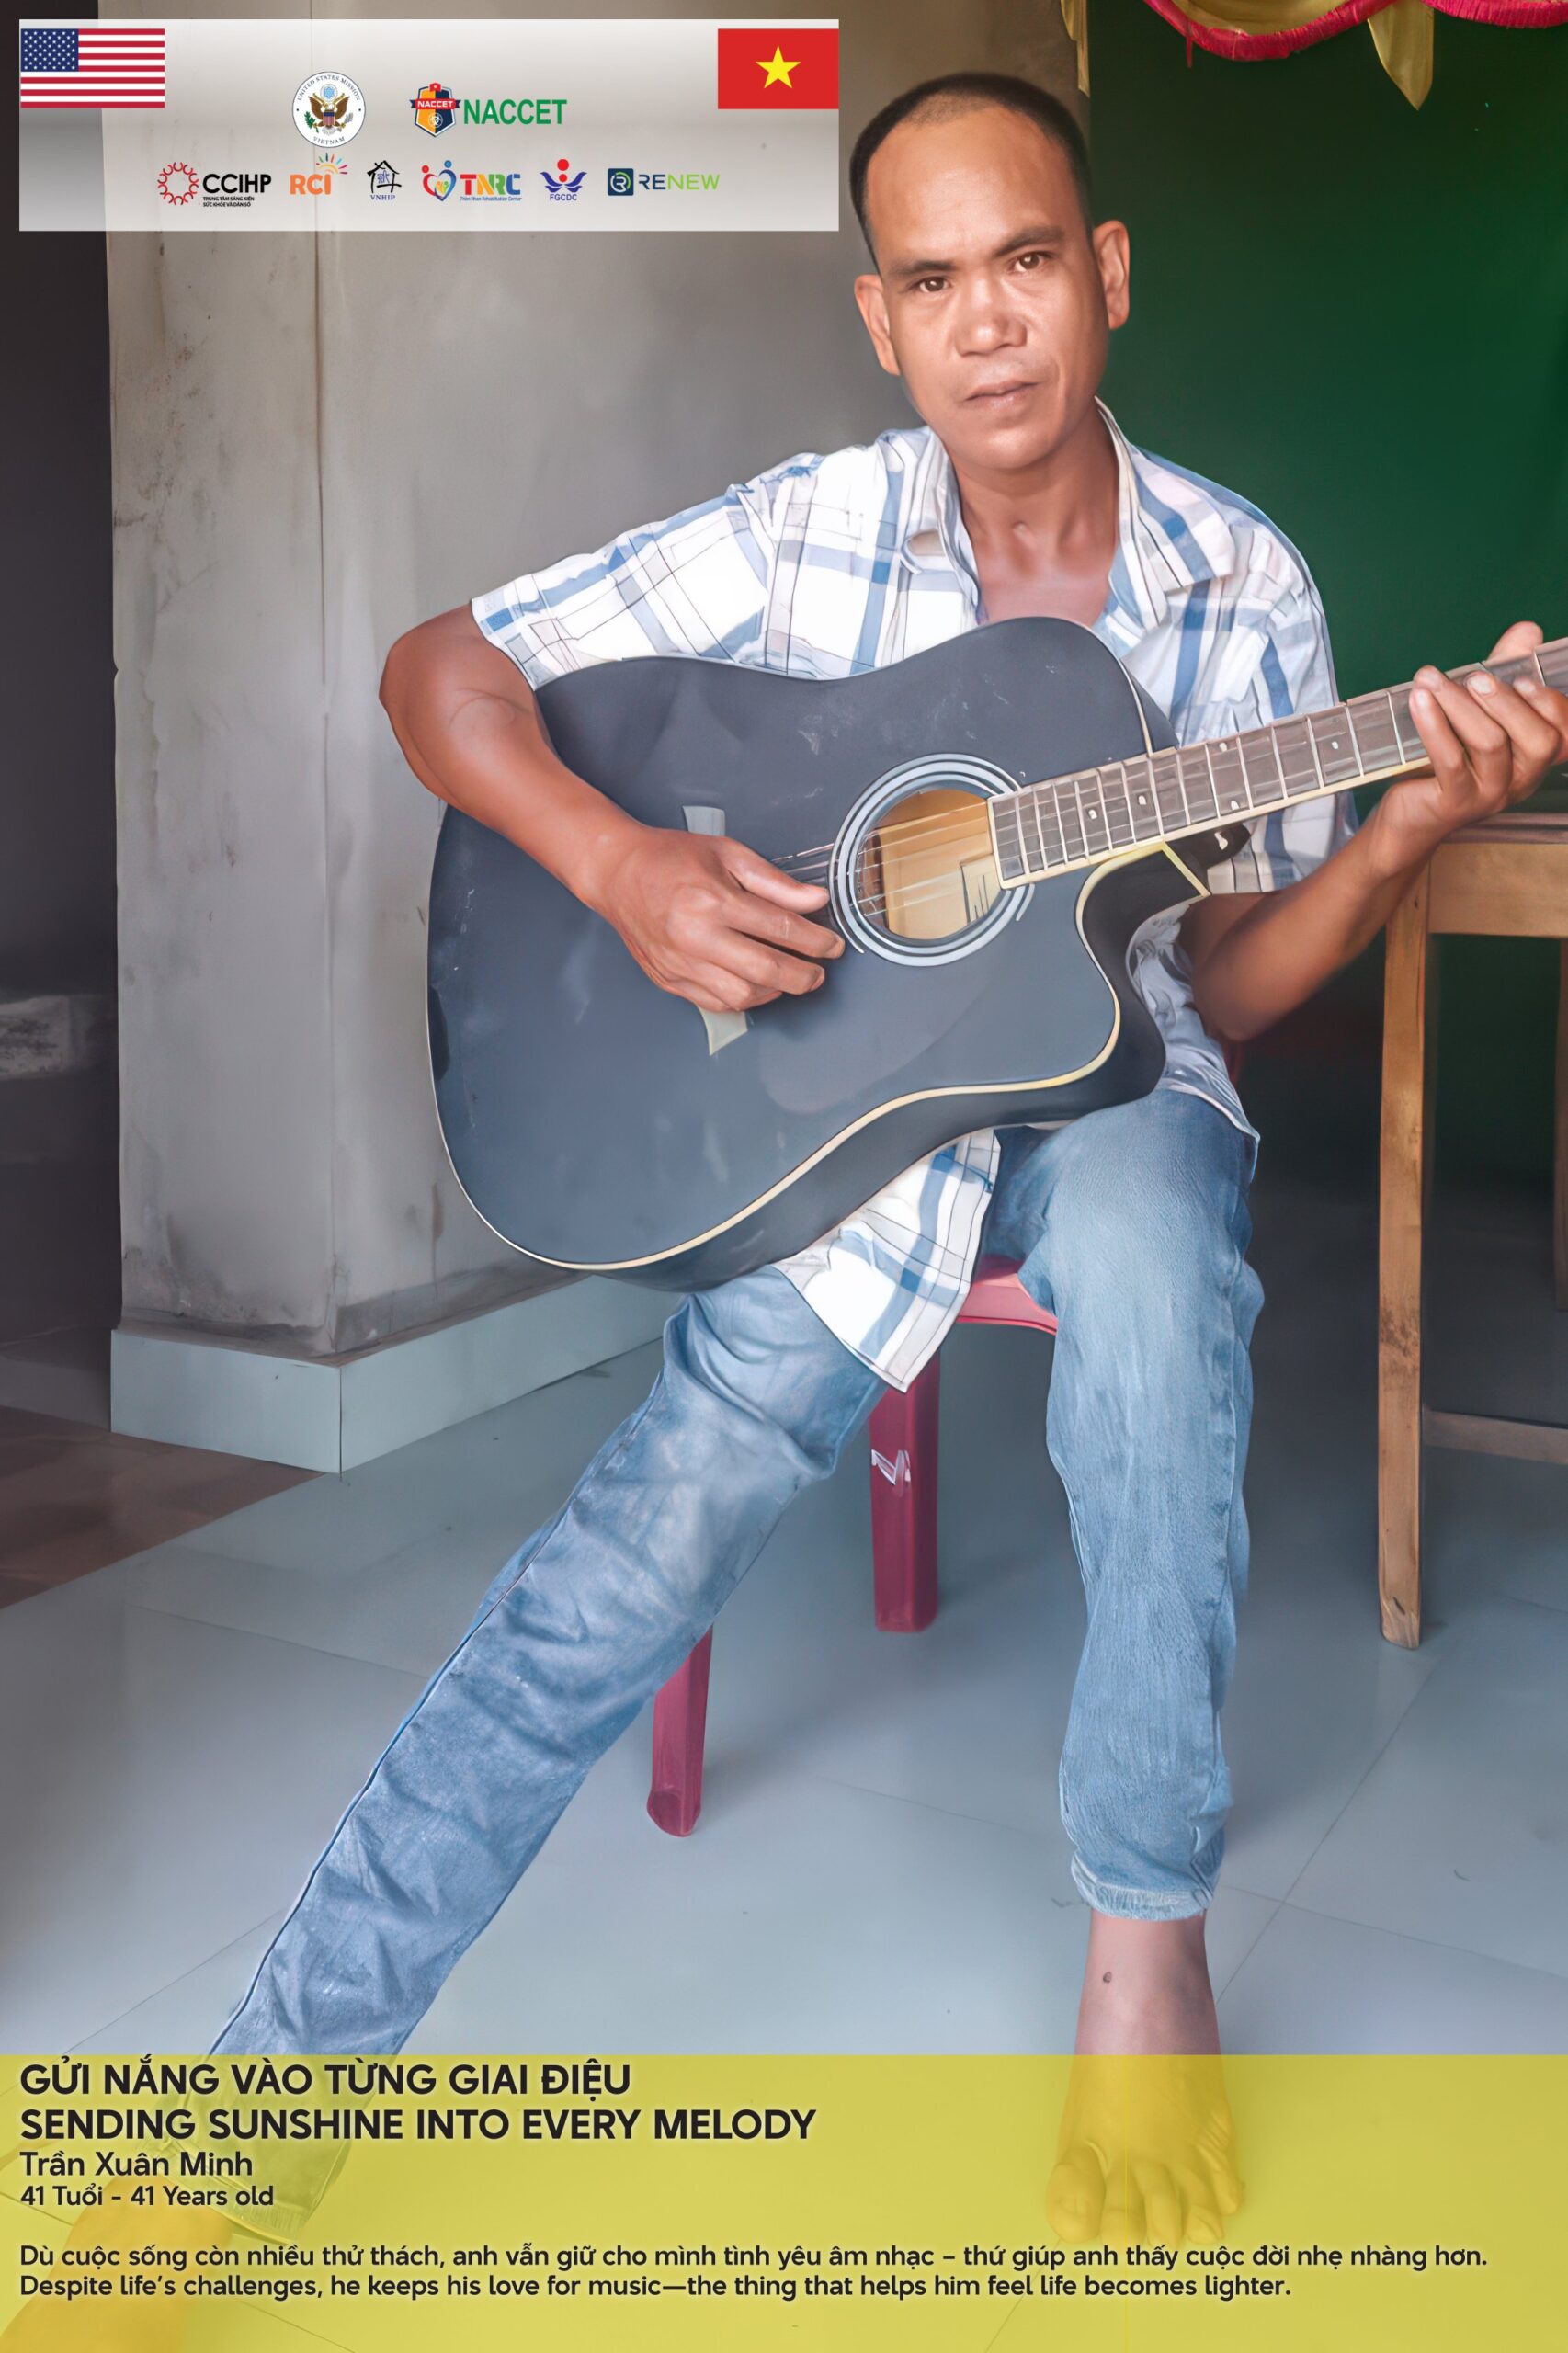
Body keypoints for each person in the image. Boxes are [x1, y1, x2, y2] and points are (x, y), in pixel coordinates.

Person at [207, 74, 1567, 2235]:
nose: (986, 321)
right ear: (880, 319)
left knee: (1157, 1271)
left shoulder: (1239, 580)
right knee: (617, 1563)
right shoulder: (803, 525)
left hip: (1120, 1093)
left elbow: (1227, 982)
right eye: (931, 282)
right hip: (839, 1149)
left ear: (1105, 273)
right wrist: (625, 864)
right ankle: (241, 2118)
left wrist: (1398, 826)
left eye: (1025, 261)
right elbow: (436, 671)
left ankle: (1147, 1935)